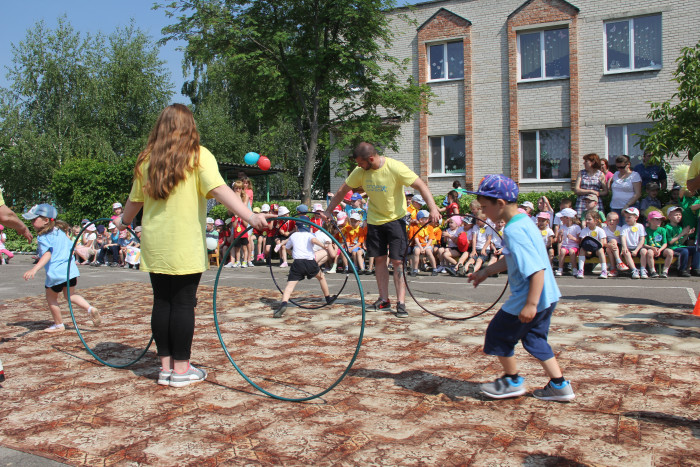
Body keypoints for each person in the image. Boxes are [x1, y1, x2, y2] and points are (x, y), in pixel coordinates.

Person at [115, 104, 270, 388]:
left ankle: (165, 369)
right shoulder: (198, 155)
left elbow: (134, 201)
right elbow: (220, 190)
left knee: (162, 302)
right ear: (190, 126)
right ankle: (182, 371)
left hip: (157, 241)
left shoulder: (147, 159)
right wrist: (250, 215)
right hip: (184, 242)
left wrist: (123, 221)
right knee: (183, 304)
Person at [466, 174, 574, 402]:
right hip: (549, 296)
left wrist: (530, 305)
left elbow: (536, 269)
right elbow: (515, 258)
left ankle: (512, 380)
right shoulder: (525, 221)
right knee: (535, 339)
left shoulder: (513, 231)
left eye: (485, 207)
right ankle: (560, 385)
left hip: (529, 298)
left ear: (501, 204)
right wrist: (486, 271)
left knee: (497, 335)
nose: (484, 213)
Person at [323, 142, 440, 318]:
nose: (359, 167)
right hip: (375, 221)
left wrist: (433, 208)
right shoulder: (360, 172)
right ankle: (383, 299)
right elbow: (341, 191)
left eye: (361, 163)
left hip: (396, 220)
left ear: (371, 158)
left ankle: (401, 302)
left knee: (398, 261)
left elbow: (421, 185)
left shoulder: (395, 167)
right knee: (379, 259)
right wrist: (328, 210)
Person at [22, 204, 101, 333]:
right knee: (71, 295)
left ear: (46, 220)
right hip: (70, 271)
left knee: (51, 298)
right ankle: (90, 308)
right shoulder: (60, 232)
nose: (31, 222)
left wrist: (34, 269)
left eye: (34, 219)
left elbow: (47, 254)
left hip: (56, 273)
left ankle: (59, 325)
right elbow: (71, 247)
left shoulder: (43, 237)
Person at [274, 219, 334, 318]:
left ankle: (284, 303)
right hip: (310, 262)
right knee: (321, 277)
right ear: (309, 227)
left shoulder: (293, 235)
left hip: (297, 263)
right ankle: (328, 298)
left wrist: (293, 255)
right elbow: (313, 240)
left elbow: (287, 248)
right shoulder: (310, 235)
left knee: (290, 286)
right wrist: (323, 246)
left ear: (296, 227)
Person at [664, 206, 698, 277]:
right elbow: (670, 242)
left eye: (680, 215)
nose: (678, 217)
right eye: (676, 215)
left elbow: (681, 242)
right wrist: (682, 233)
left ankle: (695, 269)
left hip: (679, 246)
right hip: (672, 248)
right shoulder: (667, 227)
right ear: (669, 216)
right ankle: (681, 270)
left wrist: (686, 235)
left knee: (696, 249)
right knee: (684, 251)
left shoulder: (679, 227)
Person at [576, 211, 608, 279]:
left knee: (601, 250)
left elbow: (602, 243)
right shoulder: (584, 230)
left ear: (596, 221)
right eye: (586, 219)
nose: (587, 221)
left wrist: (594, 247)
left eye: (589, 219)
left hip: (596, 250)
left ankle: (604, 270)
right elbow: (582, 242)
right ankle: (580, 270)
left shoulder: (600, 230)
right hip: (587, 251)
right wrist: (588, 250)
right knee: (582, 249)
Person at [643, 210, 673, 278]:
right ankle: (652, 271)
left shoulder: (662, 230)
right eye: (657, 219)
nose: (659, 221)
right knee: (650, 252)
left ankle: (665, 271)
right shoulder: (646, 230)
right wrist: (652, 248)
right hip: (651, 248)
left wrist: (660, 250)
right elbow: (644, 244)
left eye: (660, 220)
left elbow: (665, 243)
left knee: (670, 252)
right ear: (650, 220)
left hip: (661, 249)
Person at [619, 207, 647, 279]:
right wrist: (624, 247)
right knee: (626, 252)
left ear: (636, 217)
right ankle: (634, 270)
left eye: (629, 217)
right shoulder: (624, 227)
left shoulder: (640, 226)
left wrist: (636, 250)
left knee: (644, 251)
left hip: (638, 247)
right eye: (626, 217)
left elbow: (642, 239)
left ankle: (643, 269)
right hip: (629, 247)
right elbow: (623, 237)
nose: (626, 219)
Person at [554, 208, 580, 277]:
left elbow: (579, 241)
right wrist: (559, 235)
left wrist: (573, 238)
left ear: (568, 218)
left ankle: (574, 269)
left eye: (562, 218)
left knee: (572, 251)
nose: (561, 219)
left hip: (574, 246)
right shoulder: (562, 227)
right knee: (562, 250)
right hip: (565, 246)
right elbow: (560, 241)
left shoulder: (576, 227)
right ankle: (560, 269)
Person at [602, 211, 626, 277]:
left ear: (617, 221)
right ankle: (619, 262)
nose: (611, 222)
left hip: (619, 246)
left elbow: (623, 240)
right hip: (608, 246)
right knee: (610, 247)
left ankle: (613, 268)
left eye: (614, 220)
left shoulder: (620, 229)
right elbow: (603, 243)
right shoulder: (604, 229)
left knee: (613, 241)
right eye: (609, 220)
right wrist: (609, 245)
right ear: (606, 221)